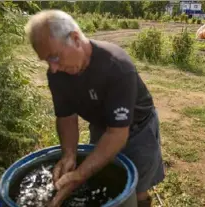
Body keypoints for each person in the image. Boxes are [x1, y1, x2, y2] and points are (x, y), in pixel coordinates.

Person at [24, 9, 165, 207]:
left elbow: (117, 134)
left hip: (138, 130)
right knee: (103, 178)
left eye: (54, 57)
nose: (52, 68)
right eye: (46, 60)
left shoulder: (117, 66)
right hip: (101, 126)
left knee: (138, 189)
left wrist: (80, 174)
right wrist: (69, 154)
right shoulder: (57, 74)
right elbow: (66, 117)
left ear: (74, 38)